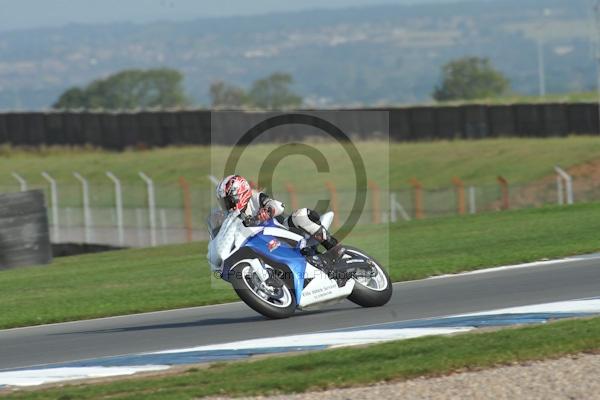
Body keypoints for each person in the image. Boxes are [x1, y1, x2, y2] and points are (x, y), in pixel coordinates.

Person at [216, 174, 339, 251]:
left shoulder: (255, 198)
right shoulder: (231, 219)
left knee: (299, 215)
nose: (228, 206)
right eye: (224, 203)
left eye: (229, 201)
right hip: (262, 245)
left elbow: (278, 206)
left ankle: (335, 250)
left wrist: (267, 212)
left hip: (283, 232)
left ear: (241, 194)